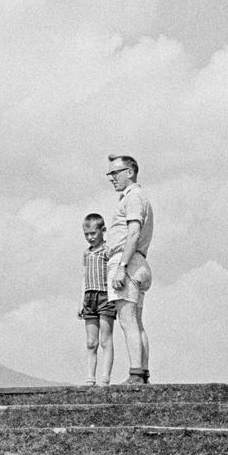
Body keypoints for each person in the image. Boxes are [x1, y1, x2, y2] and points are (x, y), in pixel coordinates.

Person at [105, 155, 153, 385]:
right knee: (136, 320)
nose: (112, 178)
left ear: (130, 172)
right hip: (138, 262)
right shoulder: (137, 197)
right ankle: (141, 372)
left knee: (127, 320)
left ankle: (136, 374)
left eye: (115, 173)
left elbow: (133, 234)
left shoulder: (133, 198)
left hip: (128, 261)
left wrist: (121, 267)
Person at [77, 213, 116, 386]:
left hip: (104, 295)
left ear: (102, 231)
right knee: (91, 341)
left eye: (93, 233)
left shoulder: (106, 250)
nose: (90, 237)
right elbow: (84, 277)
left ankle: (105, 378)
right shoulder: (86, 253)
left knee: (105, 339)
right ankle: (90, 377)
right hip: (89, 296)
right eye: (87, 235)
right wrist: (81, 301)